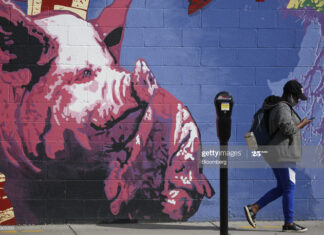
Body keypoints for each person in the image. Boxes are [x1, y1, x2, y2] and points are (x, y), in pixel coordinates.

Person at [244, 80, 313, 233]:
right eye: (296, 97)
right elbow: (287, 129)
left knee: (282, 187)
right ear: (289, 95)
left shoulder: (280, 106)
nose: (297, 101)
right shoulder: (282, 107)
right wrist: (302, 124)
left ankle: (254, 208)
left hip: (278, 153)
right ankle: (289, 222)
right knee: (289, 187)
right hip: (283, 155)